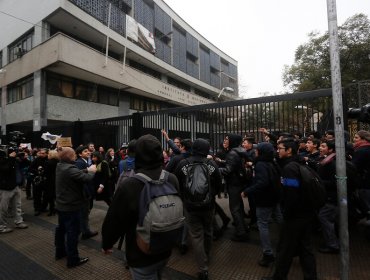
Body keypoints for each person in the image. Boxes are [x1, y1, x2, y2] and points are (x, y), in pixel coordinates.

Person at [102, 134, 179, 279]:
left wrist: (107, 243)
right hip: (166, 247)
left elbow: (115, 219)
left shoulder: (130, 185)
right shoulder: (171, 178)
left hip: (141, 254)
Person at [262, 138, 317, 280]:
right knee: (306, 249)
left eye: (280, 148)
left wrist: (287, 213)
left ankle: (278, 277)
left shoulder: (289, 168)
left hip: (295, 215)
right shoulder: (299, 163)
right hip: (307, 213)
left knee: (284, 249)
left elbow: (291, 193)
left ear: (289, 150)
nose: (277, 151)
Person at [175, 138, 222, 280]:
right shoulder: (212, 164)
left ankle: (203, 268)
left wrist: (184, 197)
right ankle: (206, 256)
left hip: (189, 206)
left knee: (196, 235)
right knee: (208, 231)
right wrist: (211, 195)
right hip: (208, 206)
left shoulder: (183, 163)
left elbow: (177, 182)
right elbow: (219, 184)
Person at [241, 142, 283, 267]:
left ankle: (268, 253)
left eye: (257, 150)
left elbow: (262, 182)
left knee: (263, 225)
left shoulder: (260, 164)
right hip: (274, 198)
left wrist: (247, 191)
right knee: (280, 219)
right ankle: (290, 243)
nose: (255, 152)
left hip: (264, 200)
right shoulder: (272, 162)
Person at [54, 147, 96, 268]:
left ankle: (60, 252)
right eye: (73, 154)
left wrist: (85, 170)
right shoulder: (69, 168)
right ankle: (73, 259)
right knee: (73, 232)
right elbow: (86, 179)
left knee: (61, 230)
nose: (75, 156)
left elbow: (76, 174)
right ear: (69, 156)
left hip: (61, 205)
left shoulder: (60, 165)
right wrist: (92, 171)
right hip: (71, 206)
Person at [219, 134, 250, 242]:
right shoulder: (239, 151)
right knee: (239, 207)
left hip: (234, 183)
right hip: (239, 182)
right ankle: (243, 228)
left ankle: (241, 233)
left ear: (232, 141)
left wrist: (216, 169)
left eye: (227, 139)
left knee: (235, 209)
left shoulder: (232, 153)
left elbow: (228, 170)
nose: (225, 140)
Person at [0, 148, 28, 233]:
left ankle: (19, 221)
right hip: (5, 188)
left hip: (15, 185)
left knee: (17, 206)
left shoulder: (10, 159)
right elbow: (5, 169)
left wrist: (23, 157)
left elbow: (24, 165)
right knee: (3, 208)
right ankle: (1, 226)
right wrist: (11, 158)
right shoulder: (4, 159)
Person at [75, 145, 98, 240]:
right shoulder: (80, 163)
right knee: (84, 213)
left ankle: (84, 230)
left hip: (86, 192)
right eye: (85, 151)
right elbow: (82, 178)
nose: (88, 152)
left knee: (85, 213)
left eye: (88, 151)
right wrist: (87, 193)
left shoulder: (85, 161)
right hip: (84, 193)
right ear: (80, 154)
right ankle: (84, 232)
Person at [44, 150, 59, 216]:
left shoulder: (48, 162)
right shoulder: (59, 162)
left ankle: (51, 210)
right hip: (57, 180)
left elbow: (46, 173)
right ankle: (58, 209)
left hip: (50, 181)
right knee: (57, 196)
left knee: (50, 196)